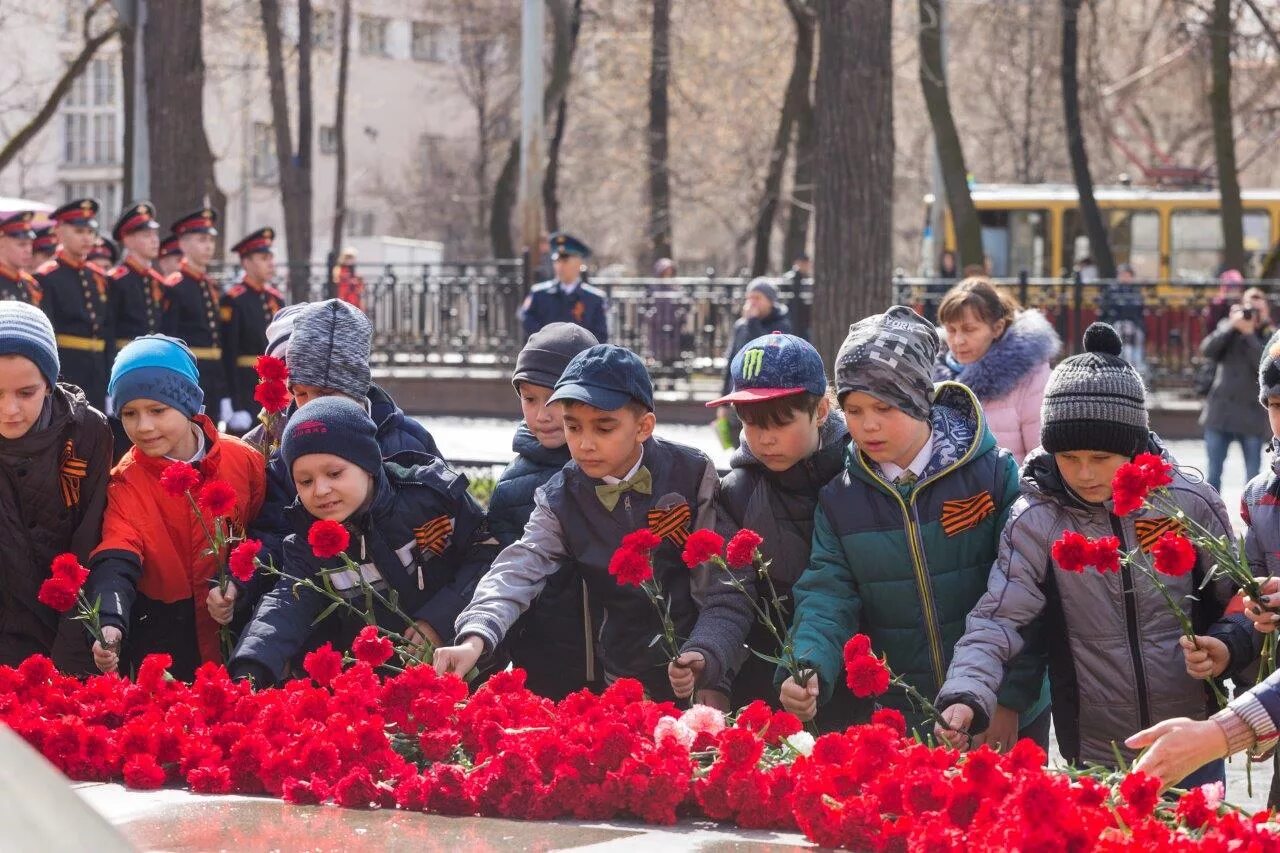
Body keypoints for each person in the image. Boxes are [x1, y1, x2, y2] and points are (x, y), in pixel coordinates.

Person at [934, 323, 1253, 786]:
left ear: (1133, 445)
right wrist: (966, 692)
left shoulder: (1188, 502)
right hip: (1095, 748)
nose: (1083, 473)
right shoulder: (1036, 520)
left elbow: (1241, 599)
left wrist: (1226, 646)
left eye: (1101, 458)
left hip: (1192, 739)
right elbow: (999, 620)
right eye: (1068, 456)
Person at [776, 307, 1049, 741]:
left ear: (918, 398)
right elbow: (827, 594)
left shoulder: (992, 475)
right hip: (904, 713)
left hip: (999, 706)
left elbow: (1022, 593)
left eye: (884, 406)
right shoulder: (841, 498)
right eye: (854, 408)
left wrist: (1008, 699)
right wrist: (807, 663)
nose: (868, 424)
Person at [434, 344, 747, 705]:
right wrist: (475, 638)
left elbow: (719, 582)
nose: (584, 444)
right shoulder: (560, 496)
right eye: (573, 426)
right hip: (622, 679)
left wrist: (710, 665)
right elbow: (518, 568)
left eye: (604, 427)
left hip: (700, 669)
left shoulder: (691, 472)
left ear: (644, 426)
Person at [227, 396, 499, 687]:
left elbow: (487, 556)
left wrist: (439, 619)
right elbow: (284, 608)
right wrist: (251, 669)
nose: (320, 490)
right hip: (377, 690)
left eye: (334, 474)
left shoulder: (431, 499)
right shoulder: (308, 543)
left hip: (463, 671)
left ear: (367, 464)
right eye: (304, 482)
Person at [244, 299, 443, 613]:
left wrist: (438, 617)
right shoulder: (288, 453)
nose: (309, 406)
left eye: (325, 393)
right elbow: (274, 535)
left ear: (356, 386)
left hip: (413, 606)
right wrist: (240, 584)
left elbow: (446, 525)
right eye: (300, 393)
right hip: (325, 610)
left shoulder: (405, 439)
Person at [86, 335, 265, 681]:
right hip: (167, 640)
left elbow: (262, 533)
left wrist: (242, 587)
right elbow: (116, 554)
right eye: (129, 413)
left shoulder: (242, 460)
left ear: (187, 405)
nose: (144, 426)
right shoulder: (126, 480)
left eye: (157, 410)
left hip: (240, 636)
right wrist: (109, 620)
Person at [703, 332, 859, 717]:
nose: (765, 439)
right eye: (752, 423)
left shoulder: (860, 475)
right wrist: (714, 675)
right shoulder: (737, 493)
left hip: (862, 677)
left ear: (821, 410)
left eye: (780, 422)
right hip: (771, 683)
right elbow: (728, 597)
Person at [487, 322, 599, 698]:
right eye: (530, 399)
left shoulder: (616, 467)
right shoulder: (513, 486)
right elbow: (508, 578)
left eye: (555, 398)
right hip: (545, 671)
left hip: (624, 665)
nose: (542, 415)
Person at [0, 302, 110, 674]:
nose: (10, 410)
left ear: (49, 383)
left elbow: (89, 539)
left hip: (72, 626)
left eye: (26, 393)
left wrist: (70, 661)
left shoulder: (87, 433)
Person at [933, 277, 1060, 464]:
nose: (958, 340)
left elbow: (1043, 461)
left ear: (997, 328)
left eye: (969, 330)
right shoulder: (931, 375)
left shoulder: (1031, 378)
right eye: (951, 330)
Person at [35, 199, 112, 412]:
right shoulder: (46, 276)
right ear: (58, 232)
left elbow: (107, 329)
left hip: (97, 370)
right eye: (79, 231)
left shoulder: (97, 276)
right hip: (67, 369)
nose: (87, 237)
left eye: (90, 231)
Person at [1199, 285, 1273, 492]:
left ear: (1266, 310)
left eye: (1257, 310)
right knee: (1212, 474)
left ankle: (1253, 522)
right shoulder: (1228, 328)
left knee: (1253, 478)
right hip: (1220, 412)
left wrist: (1249, 335)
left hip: (1251, 416)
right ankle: (1213, 521)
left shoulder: (1272, 336)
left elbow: (1264, 366)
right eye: (1249, 308)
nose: (1252, 314)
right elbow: (1207, 350)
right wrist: (1232, 326)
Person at [161, 208, 230, 426]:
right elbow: (169, 336)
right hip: (188, 373)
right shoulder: (175, 285)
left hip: (213, 374)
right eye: (202, 239)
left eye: (211, 239)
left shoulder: (210, 286)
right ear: (183, 244)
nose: (209, 246)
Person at [714, 279, 792, 449]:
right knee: (738, 441)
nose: (751, 303)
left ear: (770, 301)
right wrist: (723, 402)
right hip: (739, 392)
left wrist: (753, 322)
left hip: (766, 396)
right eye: (749, 298)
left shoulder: (782, 324)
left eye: (757, 298)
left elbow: (769, 351)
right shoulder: (741, 326)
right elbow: (731, 362)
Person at [222, 227, 284, 433]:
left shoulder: (275, 298)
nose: (270, 263)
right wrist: (234, 402)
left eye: (270, 257)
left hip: (274, 389)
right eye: (263, 257)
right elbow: (228, 354)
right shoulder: (234, 299)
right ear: (246, 262)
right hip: (247, 389)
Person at [520, 232, 608, 343]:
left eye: (565, 260)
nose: (559, 265)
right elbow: (527, 322)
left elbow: (600, 335)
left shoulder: (595, 299)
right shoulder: (539, 294)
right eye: (556, 261)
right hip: (546, 356)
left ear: (579, 263)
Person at [1101, 263, 1147, 377]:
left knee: (1137, 338)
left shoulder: (1135, 290)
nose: (1125, 278)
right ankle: (1117, 366)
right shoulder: (1112, 289)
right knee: (1118, 337)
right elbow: (1107, 308)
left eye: (1127, 275)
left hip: (1134, 323)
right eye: (1122, 275)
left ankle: (1137, 367)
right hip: (1116, 321)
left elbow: (1138, 308)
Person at [0, 212, 41, 304]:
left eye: (30, 244)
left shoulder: (29, 283)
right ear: (1, 243)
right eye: (21, 245)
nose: (28, 250)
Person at [780, 255, 813, 341]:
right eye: (805, 264)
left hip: (803, 319)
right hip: (793, 316)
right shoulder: (790, 278)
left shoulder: (805, 277)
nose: (807, 266)